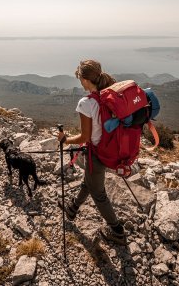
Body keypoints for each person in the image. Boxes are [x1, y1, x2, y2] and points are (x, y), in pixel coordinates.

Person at [57, 59, 127, 245]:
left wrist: (65, 140)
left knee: (98, 193)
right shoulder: (110, 94)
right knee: (89, 181)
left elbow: (85, 137)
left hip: (97, 153)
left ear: (85, 79)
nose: (80, 82)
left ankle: (117, 231)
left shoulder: (86, 103)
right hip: (113, 148)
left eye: (80, 78)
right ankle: (72, 208)